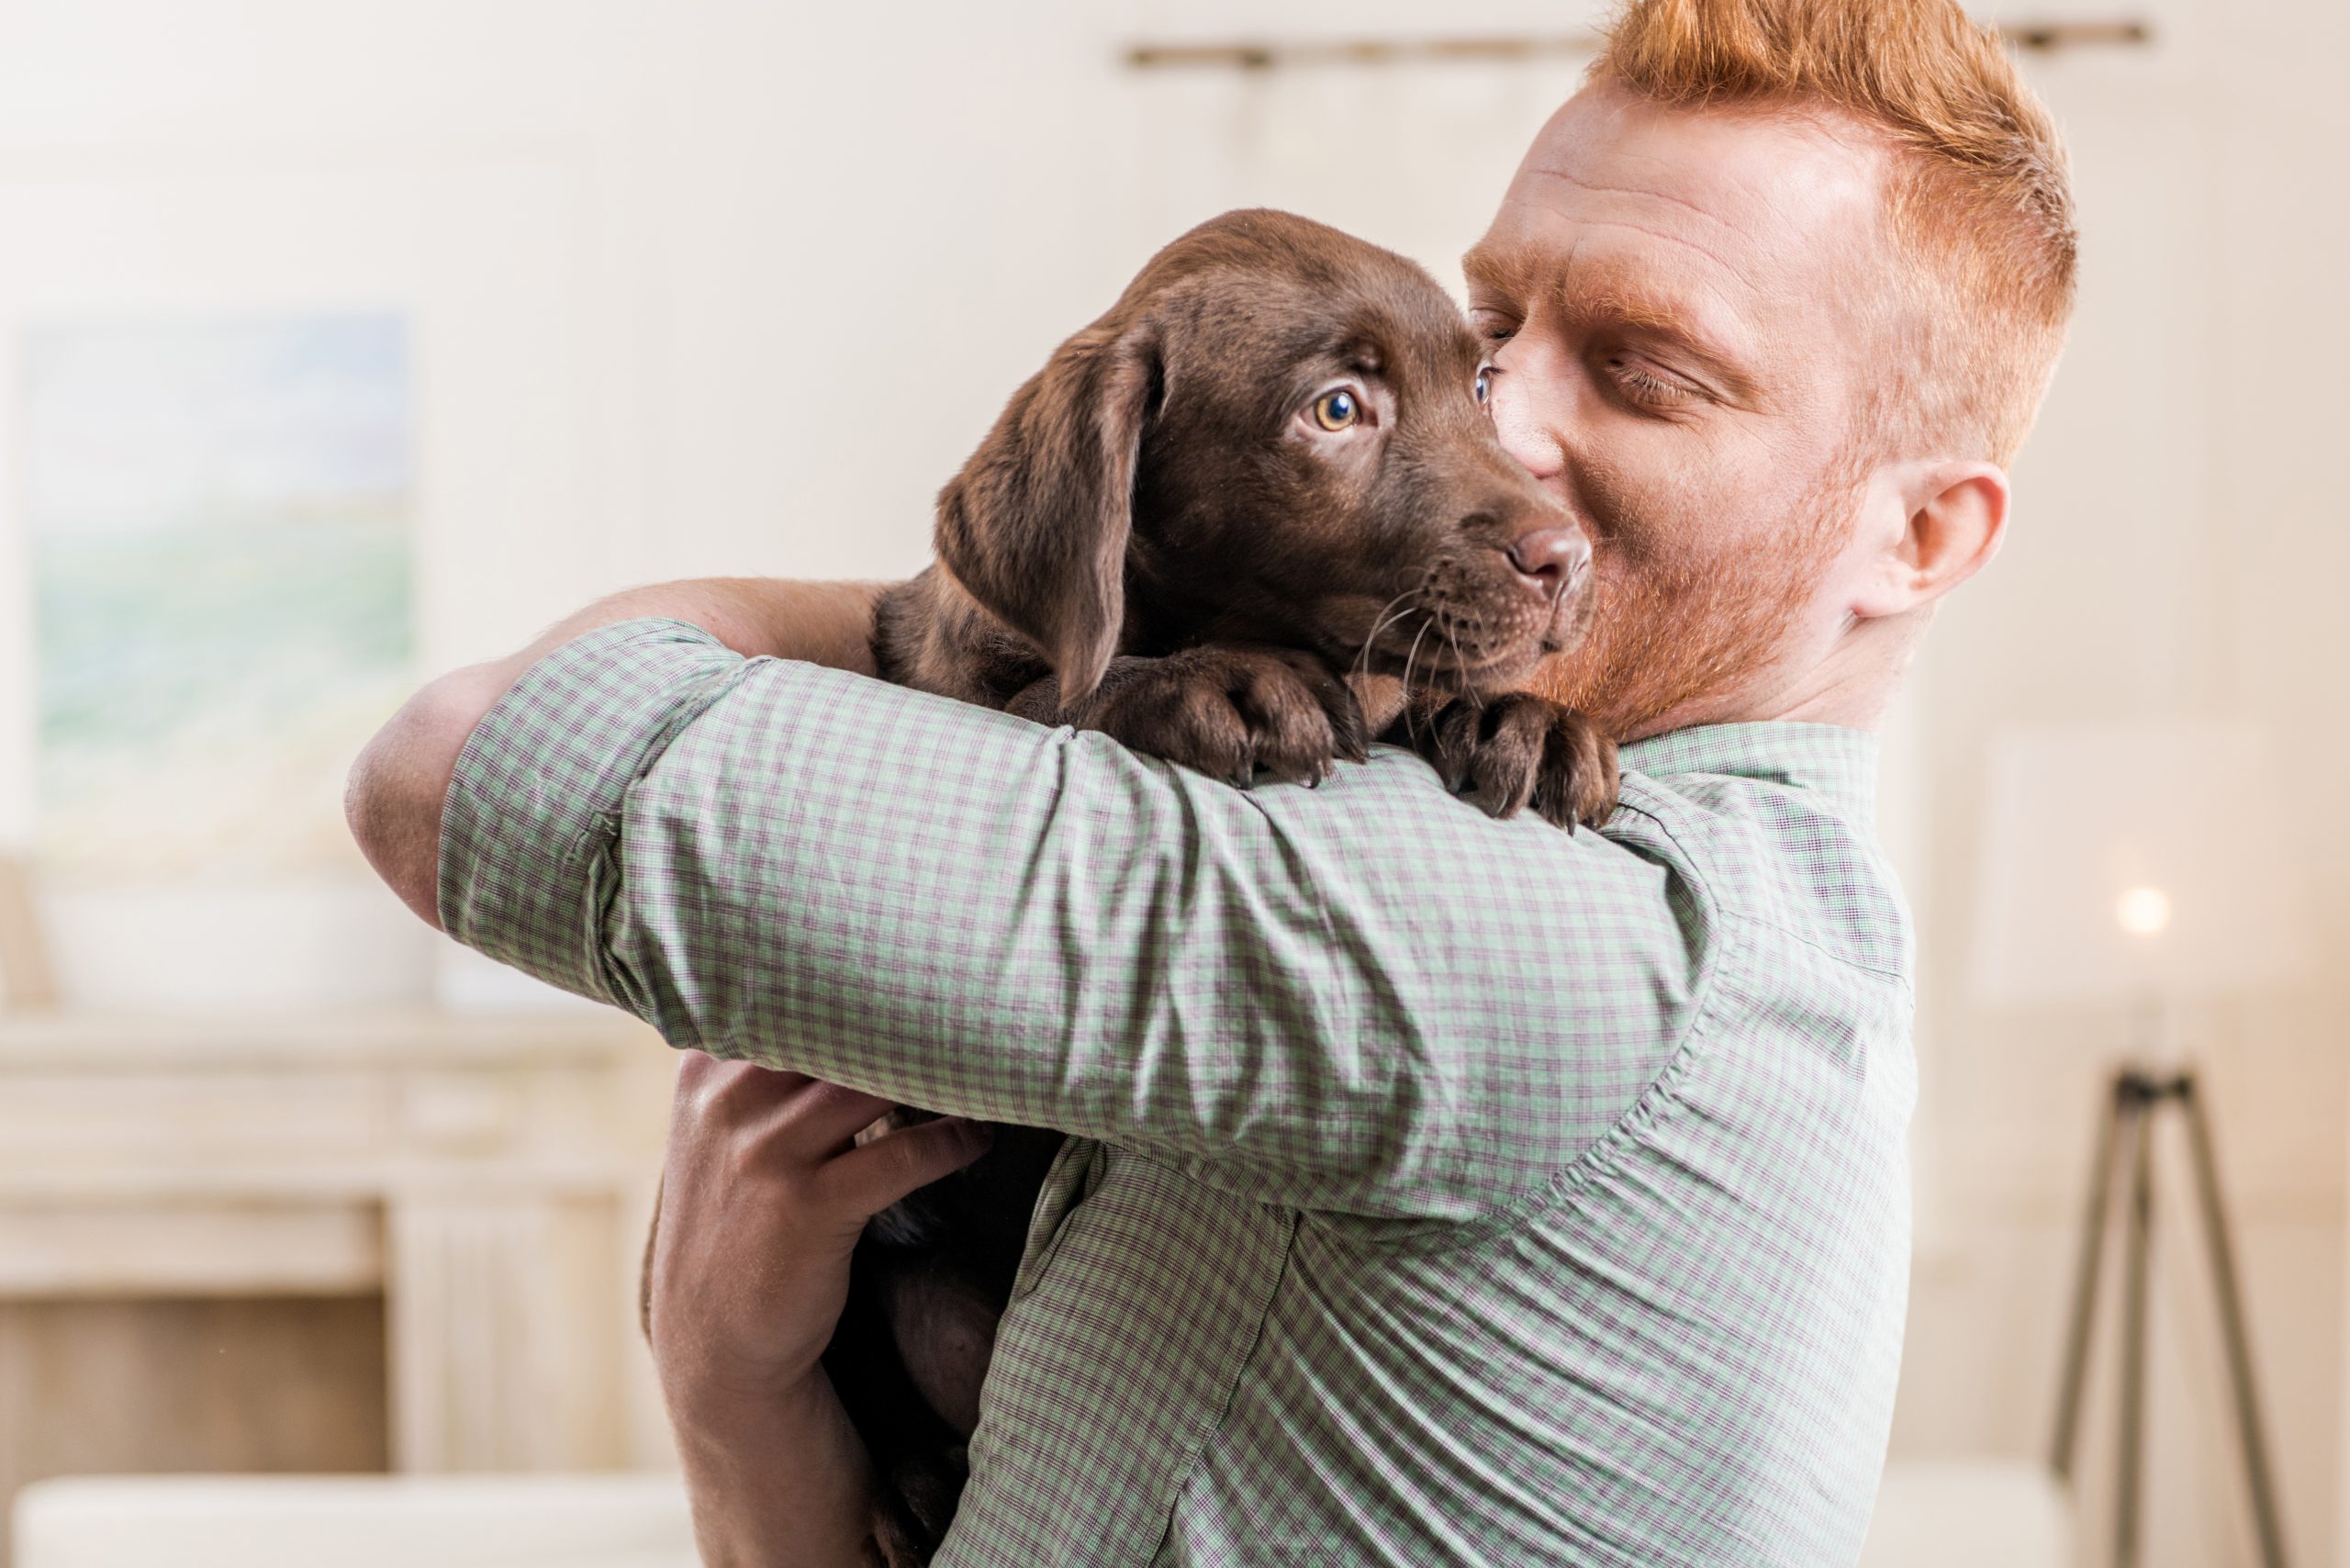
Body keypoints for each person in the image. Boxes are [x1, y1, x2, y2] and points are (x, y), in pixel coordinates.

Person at [345, 0, 2076, 1561]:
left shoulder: (1538, 945)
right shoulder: (1643, 899)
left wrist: (962, 628)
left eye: (1648, 374)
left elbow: (460, 758)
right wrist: (738, 1400)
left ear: (1921, 533)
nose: (1515, 441)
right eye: (1492, 340)